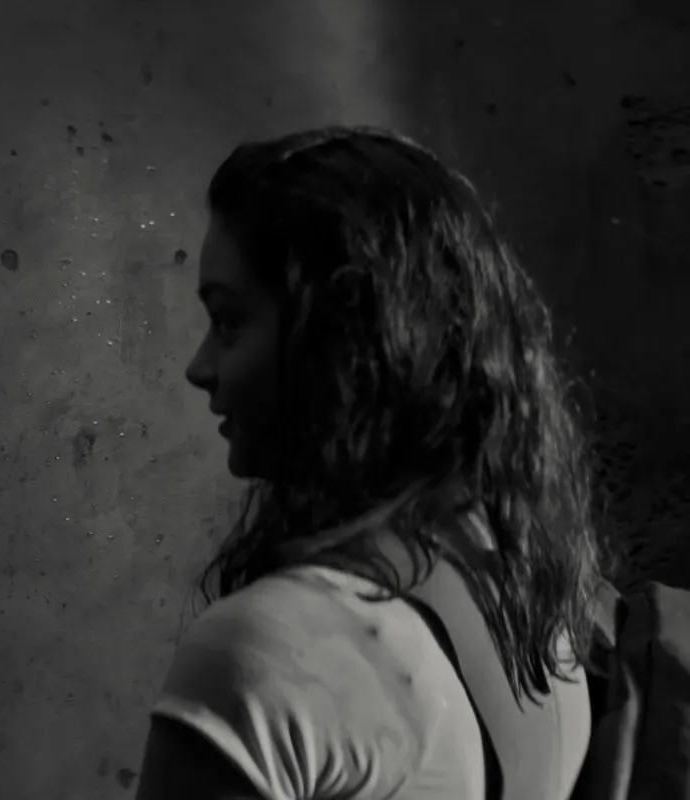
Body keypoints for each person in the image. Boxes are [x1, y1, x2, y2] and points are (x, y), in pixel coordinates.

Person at [134, 126, 607, 799]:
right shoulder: (532, 603)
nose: (199, 367)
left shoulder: (268, 651)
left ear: (339, 339)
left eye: (229, 321)